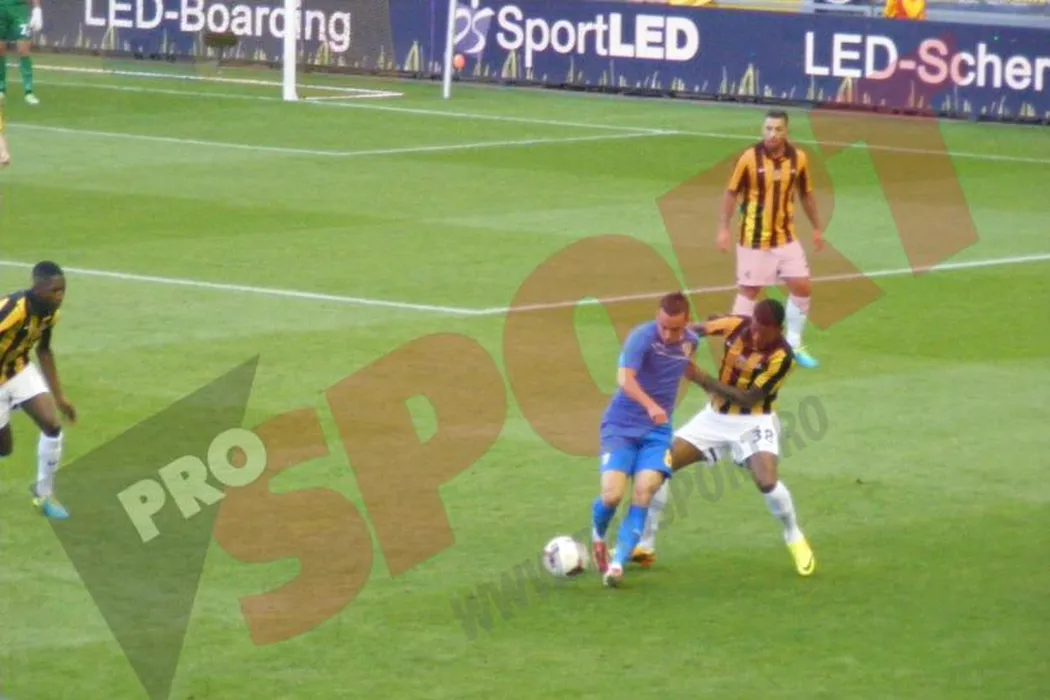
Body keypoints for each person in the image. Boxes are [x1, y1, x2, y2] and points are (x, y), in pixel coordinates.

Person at [632, 299, 816, 576]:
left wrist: (700, 377)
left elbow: (749, 398)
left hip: (754, 420)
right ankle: (645, 545)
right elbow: (696, 329)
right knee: (659, 465)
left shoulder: (782, 356)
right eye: (755, 327)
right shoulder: (737, 325)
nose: (756, 335)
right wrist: (676, 341)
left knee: (766, 481)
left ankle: (793, 534)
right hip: (715, 418)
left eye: (764, 332)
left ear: (778, 330)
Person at [591, 291, 700, 588]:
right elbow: (625, 379)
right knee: (612, 496)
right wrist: (651, 405)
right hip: (621, 426)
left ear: (686, 322)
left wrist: (716, 388)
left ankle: (617, 564)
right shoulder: (641, 337)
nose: (667, 334)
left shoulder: (691, 342)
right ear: (657, 318)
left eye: (675, 329)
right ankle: (598, 535)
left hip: (657, 433)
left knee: (644, 491)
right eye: (663, 326)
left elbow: (686, 368)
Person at [718, 110, 824, 369]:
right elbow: (731, 193)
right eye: (768, 128)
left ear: (786, 131)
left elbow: (806, 193)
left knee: (802, 286)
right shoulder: (748, 158)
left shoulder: (798, 158)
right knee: (750, 291)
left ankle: (793, 343)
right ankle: (736, 346)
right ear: (762, 129)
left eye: (778, 129)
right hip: (754, 239)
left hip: (786, 237)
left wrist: (816, 227)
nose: (772, 134)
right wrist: (723, 228)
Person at [0, 261, 76, 520]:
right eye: (55, 290)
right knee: (4, 449)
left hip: (18, 370)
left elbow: (44, 350)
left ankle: (45, 495)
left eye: (63, 290)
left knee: (52, 426)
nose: (60, 296)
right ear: (38, 288)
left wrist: (60, 397)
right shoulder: (13, 308)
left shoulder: (50, 314)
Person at [0, 0, 42, 104]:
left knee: (23, 48)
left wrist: (37, 9)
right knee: (0, 49)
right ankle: (1, 89)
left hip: (20, 9)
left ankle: (28, 91)